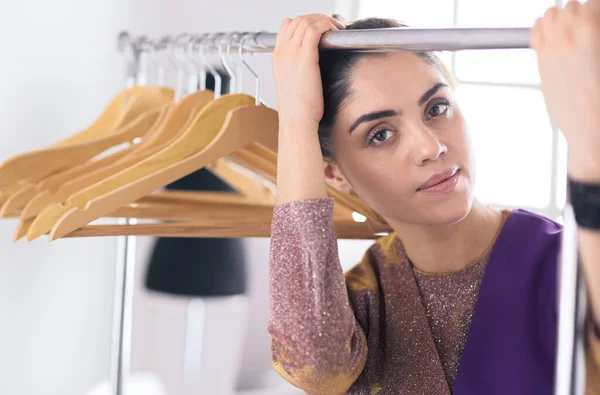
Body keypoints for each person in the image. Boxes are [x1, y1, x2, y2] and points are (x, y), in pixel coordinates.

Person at [267, 2, 600, 394]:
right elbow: (315, 364)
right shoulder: (360, 305)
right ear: (331, 173)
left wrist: (588, 139)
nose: (430, 146)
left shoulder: (569, 263)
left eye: (437, 108)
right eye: (380, 134)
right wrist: (294, 121)